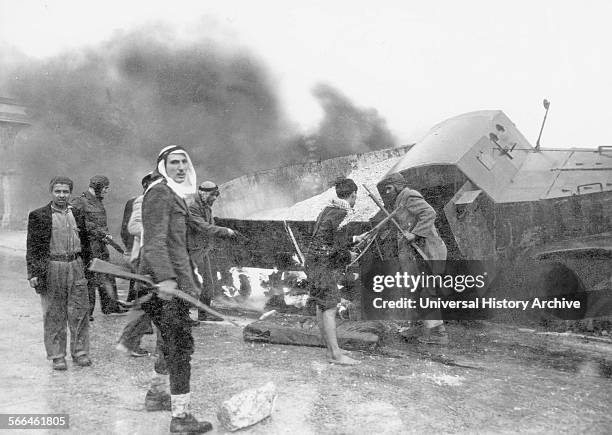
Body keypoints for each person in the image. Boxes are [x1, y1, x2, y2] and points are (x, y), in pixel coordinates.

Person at [139, 145, 212, 433]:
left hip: (172, 283)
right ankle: (181, 417)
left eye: (184, 162)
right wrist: (168, 279)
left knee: (167, 343)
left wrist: (188, 283)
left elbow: (176, 245)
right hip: (164, 285)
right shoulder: (160, 192)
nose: (180, 167)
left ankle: (157, 394)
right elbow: (155, 242)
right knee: (180, 349)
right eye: (174, 162)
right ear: (162, 166)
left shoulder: (174, 194)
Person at [26, 176, 92, 370]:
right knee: (54, 312)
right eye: (58, 191)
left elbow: (86, 243)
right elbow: (33, 247)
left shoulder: (78, 214)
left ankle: (80, 352)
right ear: (51, 192)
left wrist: (88, 268)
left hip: (76, 265)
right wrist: (33, 273)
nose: (62, 195)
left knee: (80, 311)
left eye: (65, 192)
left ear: (70, 193)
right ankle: (57, 355)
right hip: (53, 266)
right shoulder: (39, 215)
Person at [377, 172, 449, 345]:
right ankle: (415, 327)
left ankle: (439, 334)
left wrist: (415, 233)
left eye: (389, 188)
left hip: (428, 252)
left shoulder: (409, 195)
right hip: (414, 254)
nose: (387, 192)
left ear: (398, 185)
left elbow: (429, 213)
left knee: (426, 292)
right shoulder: (399, 201)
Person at [306, 177, 360, 365]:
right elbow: (336, 246)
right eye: (355, 197)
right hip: (323, 264)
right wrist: (349, 256)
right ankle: (336, 355)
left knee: (322, 307)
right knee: (329, 307)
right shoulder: (342, 212)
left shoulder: (328, 209)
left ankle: (331, 349)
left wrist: (354, 238)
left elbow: (327, 237)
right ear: (353, 195)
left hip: (313, 261)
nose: (355, 201)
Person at [116, 172, 161, 357]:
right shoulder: (141, 201)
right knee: (148, 302)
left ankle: (130, 342)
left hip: (159, 257)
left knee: (152, 302)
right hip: (147, 257)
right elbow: (132, 228)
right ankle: (129, 342)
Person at [71, 175, 127, 318]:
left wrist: (106, 235)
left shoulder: (98, 201)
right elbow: (78, 223)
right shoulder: (79, 201)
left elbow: (101, 223)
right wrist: (100, 232)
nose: (106, 191)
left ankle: (110, 306)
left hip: (101, 245)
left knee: (107, 273)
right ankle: (86, 312)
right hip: (88, 246)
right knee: (89, 277)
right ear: (98, 187)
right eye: (105, 188)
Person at [187, 181, 235, 322]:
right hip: (193, 251)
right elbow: (203, 227)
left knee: (208, 284)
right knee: (191, 285)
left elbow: (209, 225)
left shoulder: (206, 206)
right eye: (213, 195)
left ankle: (204, 313)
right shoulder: (193, 207)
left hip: (203, 250)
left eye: (216, 195)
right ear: (203, 193)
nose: (215, 198)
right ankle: (183, 315)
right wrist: (225, 231)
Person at [120, 193, 137, 302]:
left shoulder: (132, 201)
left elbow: (124, 230)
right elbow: (124, 229)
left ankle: (131, 299)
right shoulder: (134, 202)